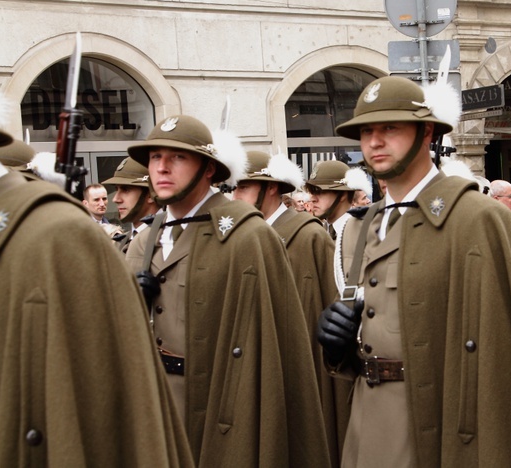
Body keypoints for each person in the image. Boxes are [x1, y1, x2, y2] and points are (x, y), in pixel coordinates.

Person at [317, 75, 511, 467]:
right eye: (365, 131)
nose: (374, 141)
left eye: (390, 128)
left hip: (445, 431)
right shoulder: (363, 226)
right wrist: (343, 348)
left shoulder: (477, 218)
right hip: (370, 429)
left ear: (427, 132)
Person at [125, 116, 330, 467]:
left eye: (177, 157)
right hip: (156, 406)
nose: (161, 168)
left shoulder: (247, 235)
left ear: (208, 168)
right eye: (156, 157)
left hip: (225, 407)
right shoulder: (146, 239)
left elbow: (277, 349)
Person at [0, 109, 193, 467]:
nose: (116, 199)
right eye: (155, 159)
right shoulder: (138, 241)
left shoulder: (64, 232)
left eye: (126, 191)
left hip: (194, 388)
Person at [233, 150, 351, 466]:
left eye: (243, 187)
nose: (235, 195)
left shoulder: (308, 235)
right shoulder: (247, 236)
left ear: (271, 187)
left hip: (302, 369)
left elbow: (324, 314)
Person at [102, 157, 161, 253]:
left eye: (126, 189)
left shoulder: (167, 239)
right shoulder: (120, 243)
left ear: (151, 194)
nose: (115, 199)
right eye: (117, 189)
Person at [305, 160, 372, 240]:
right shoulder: (320, 232)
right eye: (312, 192)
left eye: (320, 192)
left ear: (342, 194)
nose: (312, 199)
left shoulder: (363, 233)